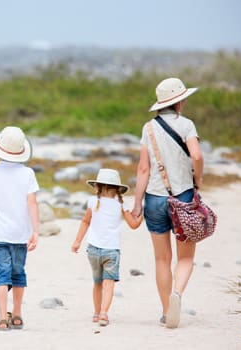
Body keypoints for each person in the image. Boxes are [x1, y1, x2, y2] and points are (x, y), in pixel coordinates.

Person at [131, 77, 204, 328]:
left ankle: (165, 311)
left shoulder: (148, 128)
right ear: (180, 102)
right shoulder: (187, 125)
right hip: (183, 196)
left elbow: (143, 168)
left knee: (161, 258)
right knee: (185, 258)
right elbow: (196, 154)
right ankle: (178, 295)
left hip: (154, 198)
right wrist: (198, 177)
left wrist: (137, 202)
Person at [0, 126, 40, 331]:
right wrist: (36, 231)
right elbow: (32, 203)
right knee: (18, 274)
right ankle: (16, 315)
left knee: (1, 275)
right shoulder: (28, 173)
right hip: (21, 235)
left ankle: (1, 317)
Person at [71, 168, 142, 327]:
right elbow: (133, 225)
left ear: (97, 186)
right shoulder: (122, 204)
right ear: (118, 188)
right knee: (108, 283)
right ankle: (104, 314)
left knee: (97, 283)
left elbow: (85, 222)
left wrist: (77, 241)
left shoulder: (92, 201)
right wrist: (143, 214)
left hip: (93, 250)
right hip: (112, 251)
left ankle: (96, 313)